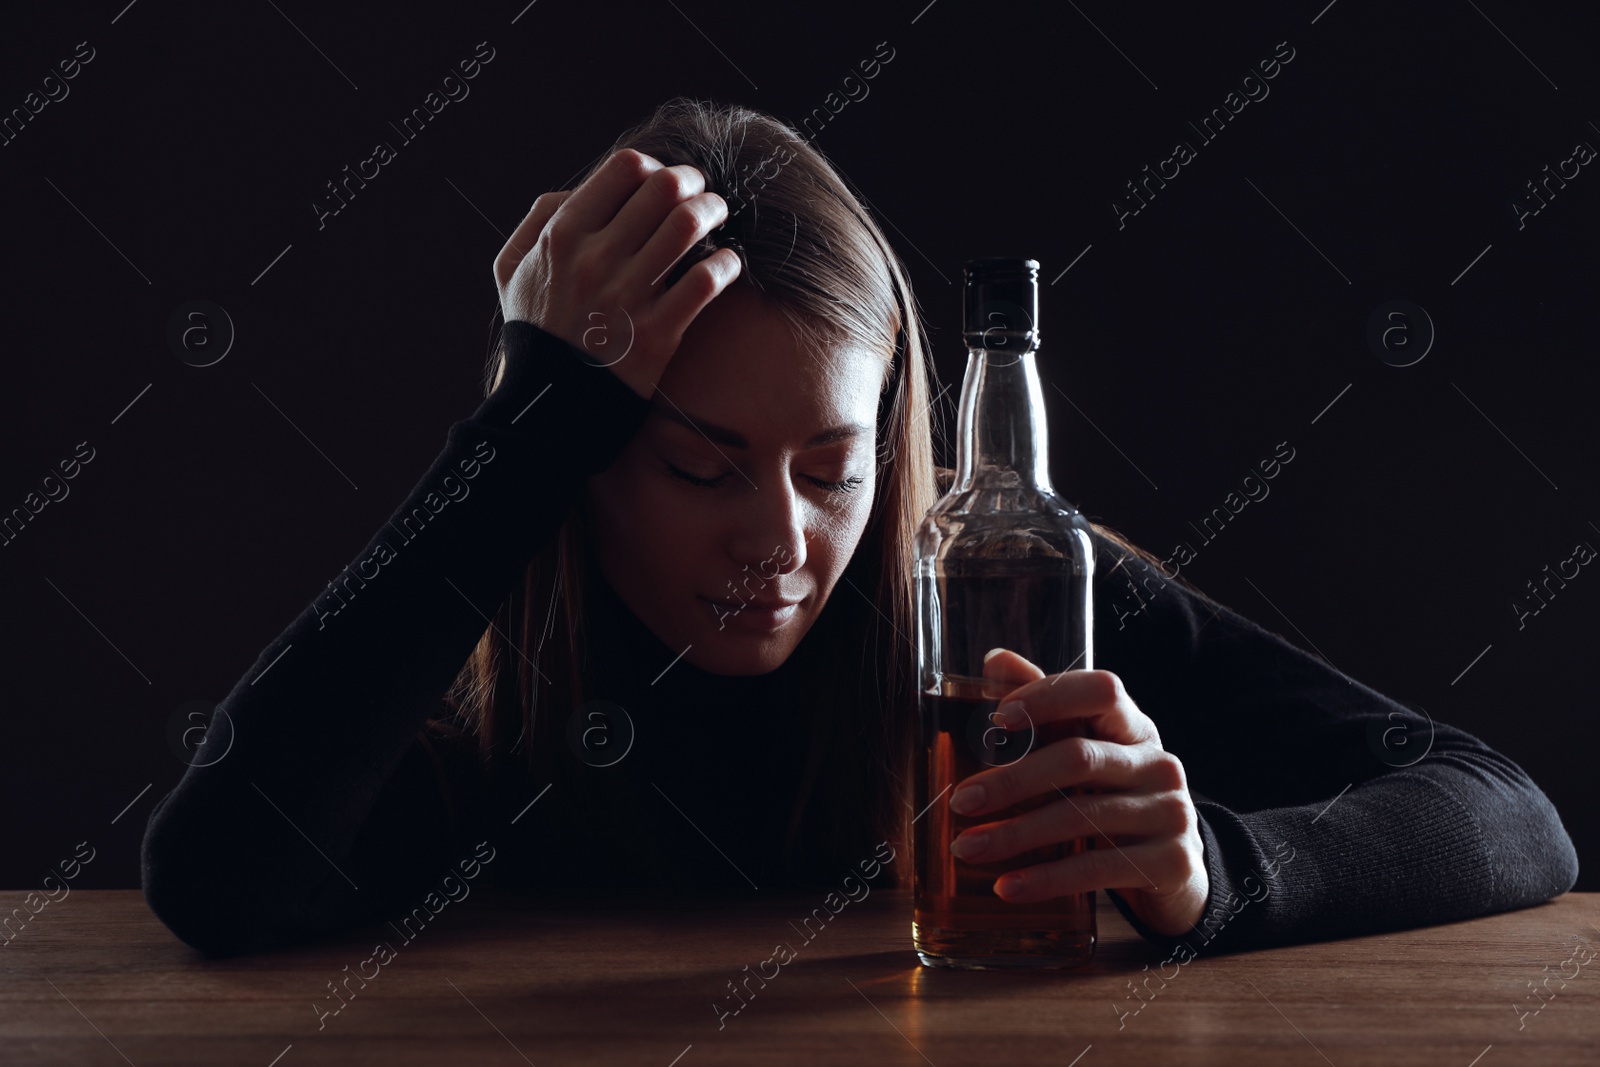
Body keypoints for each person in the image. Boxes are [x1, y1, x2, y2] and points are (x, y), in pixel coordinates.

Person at [140, 97, 1578, 959]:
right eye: (701, 469)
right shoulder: (491, 695)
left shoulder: (1001, 601)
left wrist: (1218, 872)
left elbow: (1506, 815)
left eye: (833, 472)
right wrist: (530, 423)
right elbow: (216, 880)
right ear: (578, 464)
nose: (778, 539)